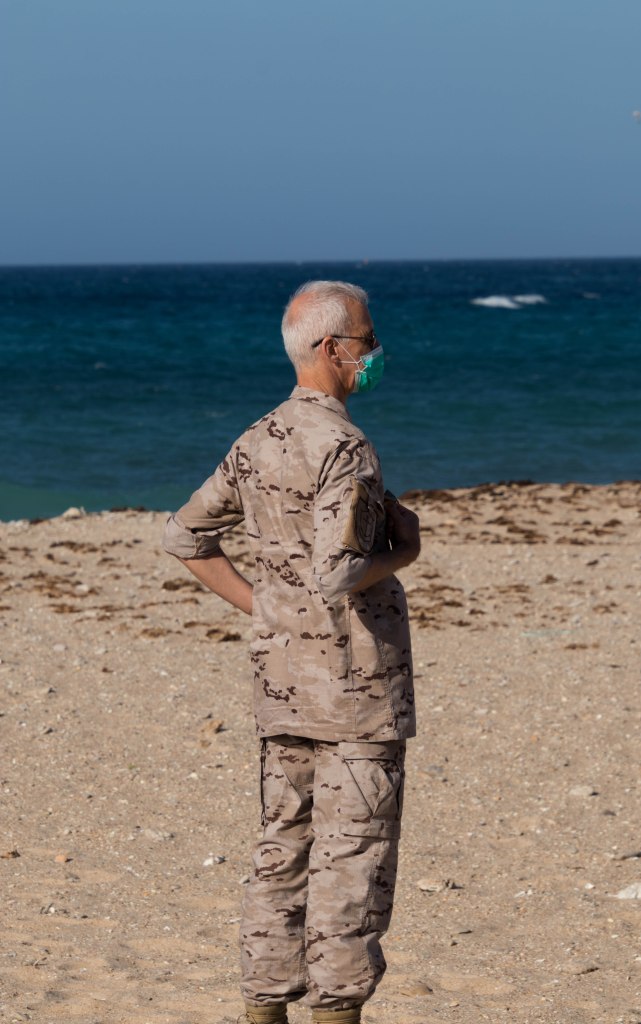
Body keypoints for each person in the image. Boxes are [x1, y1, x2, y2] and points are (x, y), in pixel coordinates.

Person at [162, 280, 420, 1024]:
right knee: (352, 861)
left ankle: (263, 1006)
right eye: (367, 340)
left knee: (282, 850)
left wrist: (267, 609)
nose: (375, 352)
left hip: (281, 686)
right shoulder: (344, 446)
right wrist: (404, 550)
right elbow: (338, 571)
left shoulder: (258, 437)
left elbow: (184, 537)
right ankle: (336, 1012)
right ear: (332, 349)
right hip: (355, 691)